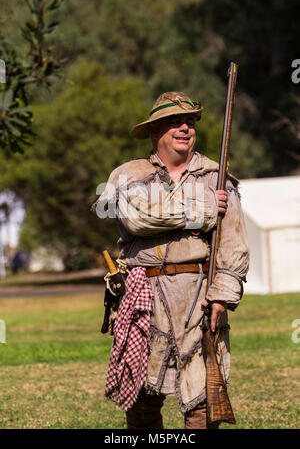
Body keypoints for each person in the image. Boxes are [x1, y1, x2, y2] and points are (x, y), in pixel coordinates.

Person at [93, 91, 249, 429]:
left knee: (202, 403)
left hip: (199, 296)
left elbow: (233, 243)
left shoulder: (216, 177)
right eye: (174, 122)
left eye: (190, 122)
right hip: (142, 296)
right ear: (154, 131)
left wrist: (222, 294)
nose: (184, 128)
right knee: (141, 402)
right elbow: (136, 218)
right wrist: (204, 210)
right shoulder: (128, 175)